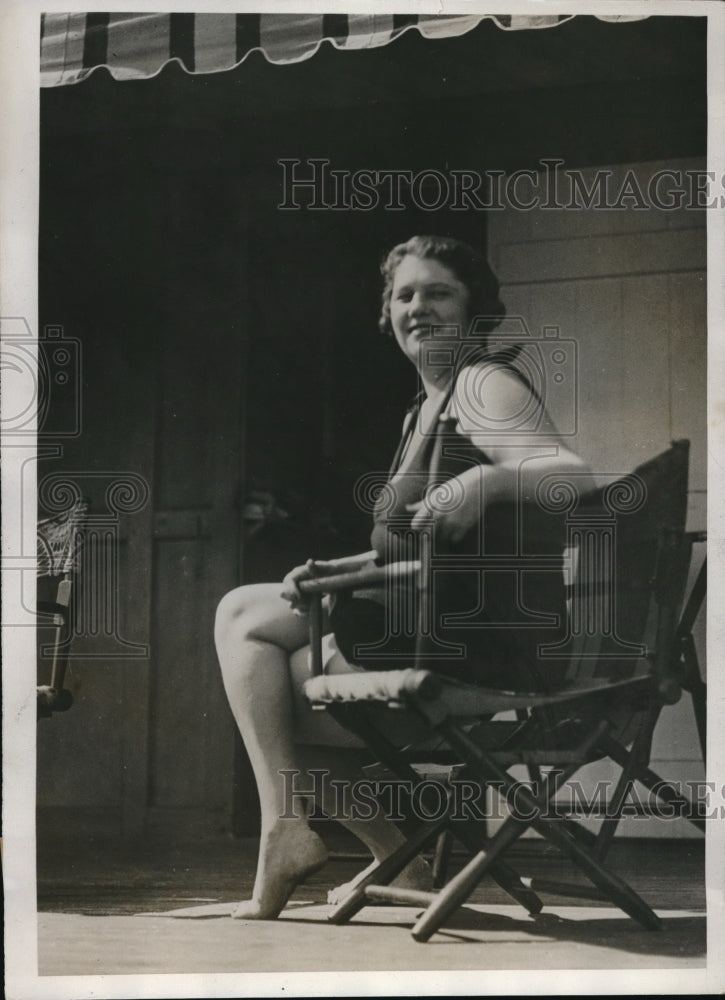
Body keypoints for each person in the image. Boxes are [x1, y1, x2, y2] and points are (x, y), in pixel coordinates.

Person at [214, 234, 592, 920]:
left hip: (478, 645)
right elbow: (416, 549)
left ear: (475, 309)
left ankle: (286, 830)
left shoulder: (480, 384)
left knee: (245, 628)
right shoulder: (424, 408)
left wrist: (482, 480)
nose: (418, 306)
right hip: (437, 627)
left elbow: (570, 477)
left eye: (438, 292)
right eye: (404, 294)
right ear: (385, 314)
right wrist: (341, 569)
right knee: (273, 697)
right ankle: (395, 864)